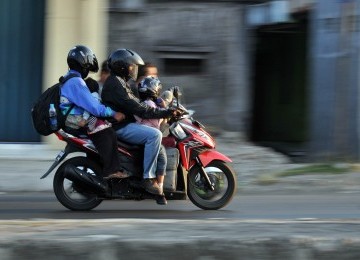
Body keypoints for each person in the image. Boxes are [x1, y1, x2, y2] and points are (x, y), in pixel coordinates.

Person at [101, 48, 177, 199]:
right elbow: (139, 108)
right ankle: (148, 179)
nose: (133, 69)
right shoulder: (115, 84)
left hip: (124, 124)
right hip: (119, 127)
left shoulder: (120, 83)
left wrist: (160, 103)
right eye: (131, 66)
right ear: (122, 66)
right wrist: (165, 112)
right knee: (154, 135)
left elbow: (137, 103)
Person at [59, 45, 128, 180]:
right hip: (75, 118)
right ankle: (111, 170)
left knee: (103, 127)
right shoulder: (76, 82)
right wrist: (113, 113)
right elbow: (94, 107)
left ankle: (98, 165)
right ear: (83, 64)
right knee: (107, 131)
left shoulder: (70, 77)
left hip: (73, 116)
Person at [135, 76, 168, 201]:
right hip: (148, 138)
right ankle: (160, 188)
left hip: (142, 135)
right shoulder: (150, 105)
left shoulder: (143, 103)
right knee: (163, 156)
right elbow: (159, 125)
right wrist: (165, 108)